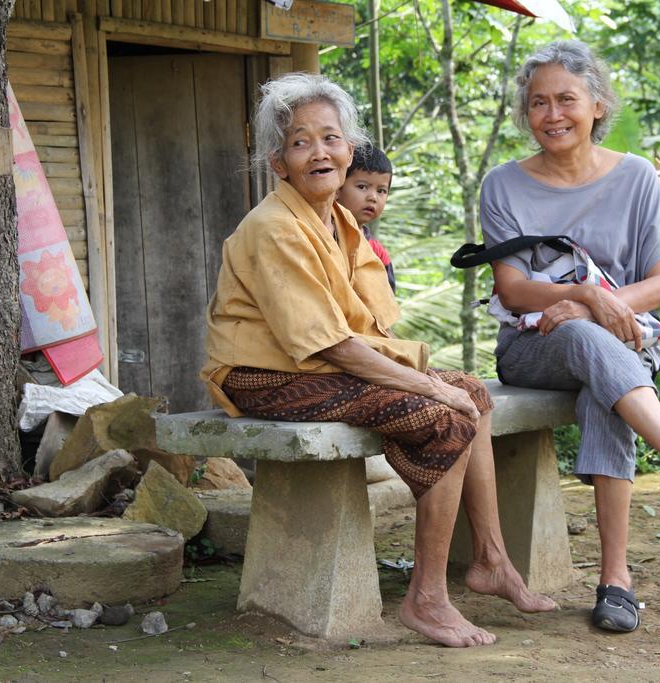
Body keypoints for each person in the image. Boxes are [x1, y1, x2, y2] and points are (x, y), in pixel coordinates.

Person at [201, 73, 556, 648]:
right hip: (264, 377)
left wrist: (439, 381)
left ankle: (491, 558)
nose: (319, 152)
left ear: (349, 147)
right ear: (278, 162)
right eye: (300, 142)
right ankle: (427, 599)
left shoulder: (338, 220)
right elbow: (330, 345)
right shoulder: (272, 227)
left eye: (331, 138)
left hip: (317, 367)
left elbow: (369, 323)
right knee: (447, 414)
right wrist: (431, 389)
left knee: (473, 392)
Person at [479, 40, 660, 634]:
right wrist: (580, 297)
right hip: (532, 347)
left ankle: (615, 582)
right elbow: (513, 291)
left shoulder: (636, 177)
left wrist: (597, 304)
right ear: (525, 115)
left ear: (598, 106)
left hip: (623, 338)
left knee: (601, 381)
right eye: (537, 103)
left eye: (566, 99)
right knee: (584, 340)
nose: (552, 114)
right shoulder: (503, 186)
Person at [337, 143, 397, 292]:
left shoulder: (377, 253)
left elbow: (386, 302)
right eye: (362, 187)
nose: (373, 197)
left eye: (381, 191)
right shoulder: (323, 233)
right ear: (338, 187)